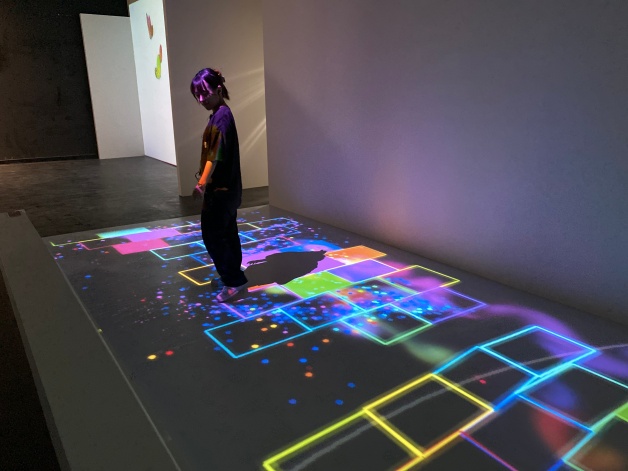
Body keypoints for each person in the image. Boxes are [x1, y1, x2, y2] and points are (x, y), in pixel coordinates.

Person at [190, 68, 248, 302]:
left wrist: (202, 183)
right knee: (227, 233)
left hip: (221, 191)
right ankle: (232, 276)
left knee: (214, 236)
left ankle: (233, 281)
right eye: (197, 94)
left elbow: (215, 155)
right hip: (227, 190)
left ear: (219, 89)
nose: (201, 99)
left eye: (205, 93)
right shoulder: (220, 113)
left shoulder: (221, 116)